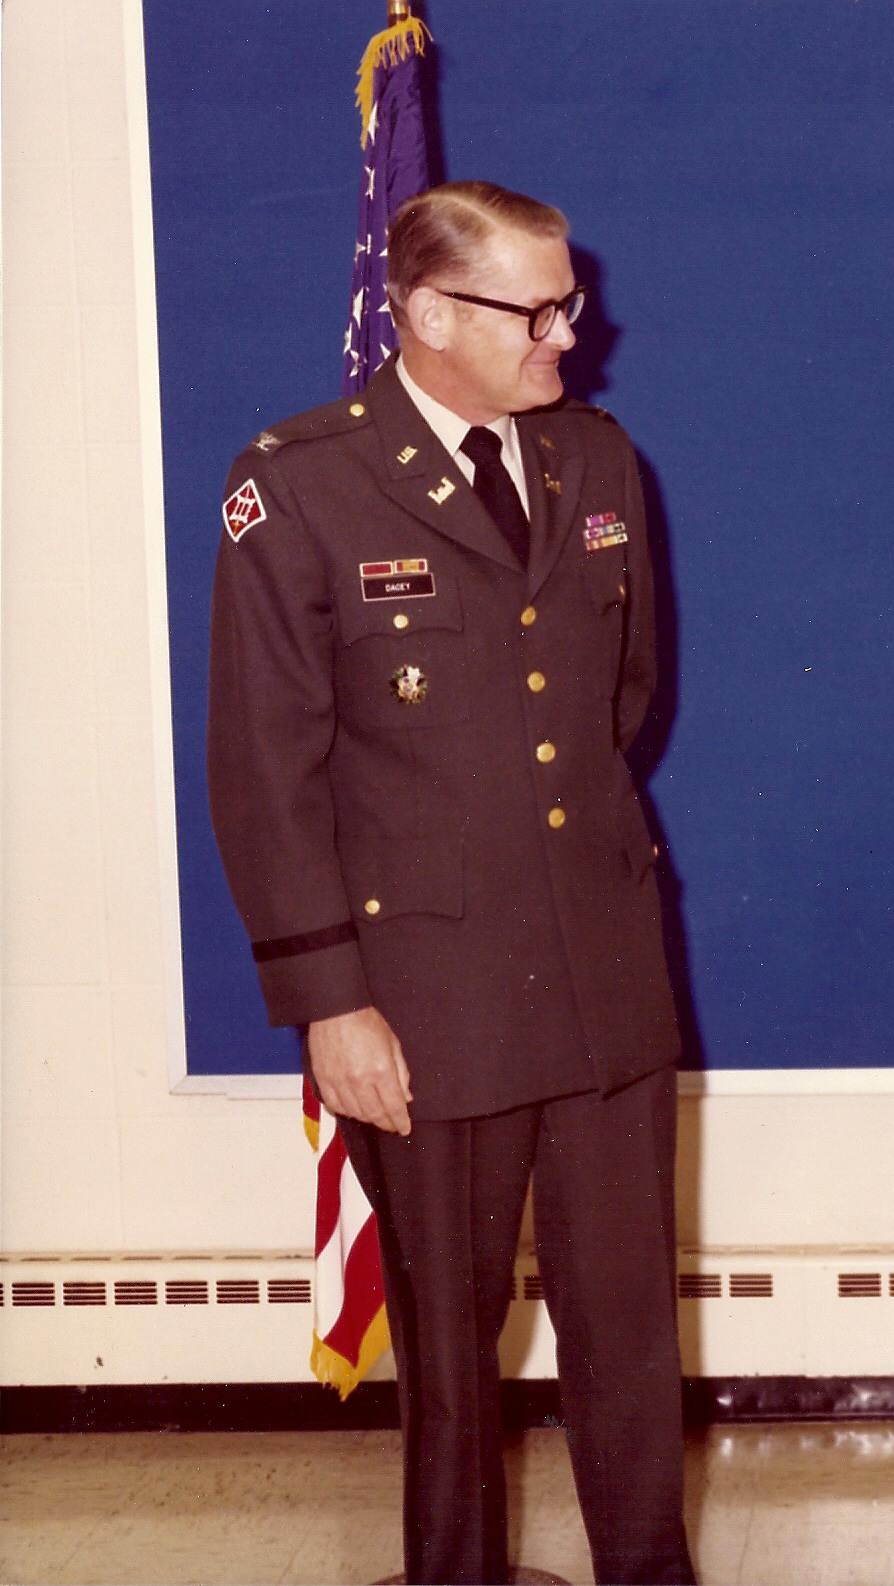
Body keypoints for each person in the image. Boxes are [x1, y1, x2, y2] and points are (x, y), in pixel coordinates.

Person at [208, 181, 695, 1586]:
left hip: (602, 965)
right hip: (427, 995)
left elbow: (621, 703)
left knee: (630, 1330)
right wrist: (330, 1001)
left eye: (568, 305)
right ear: (427, 313)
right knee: (450, 1347)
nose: (569, 337)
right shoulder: (302, 485)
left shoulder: (597, 461)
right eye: (536, 312)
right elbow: (265, 772)